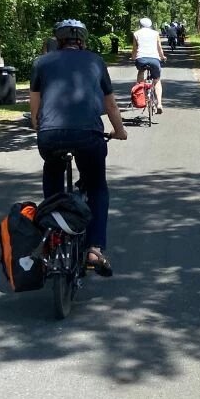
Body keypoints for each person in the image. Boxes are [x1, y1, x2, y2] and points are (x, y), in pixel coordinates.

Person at [30, 19, 128, 276]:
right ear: (82, 41)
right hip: (88, 135)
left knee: (53, 179)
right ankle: (95, 249)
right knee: (97, 186)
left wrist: (39, 128)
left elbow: (35, 110)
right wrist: (119, 131)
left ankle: (51, 238)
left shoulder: (42, 63)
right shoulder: (95, 61)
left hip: (50, 135)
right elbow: (111, 105)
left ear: (57, 41)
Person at [131, 17, 167, 113]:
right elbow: (159, 47)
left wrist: (133, 57)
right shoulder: (155, 33)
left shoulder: (136, 33)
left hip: (141, 59)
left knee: (141, 71)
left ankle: (140, 89)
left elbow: (135, 48)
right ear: (150, 25)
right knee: (157, 80)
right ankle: (159, 103)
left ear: (140, 25)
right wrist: (162, 56)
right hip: (154, 59)